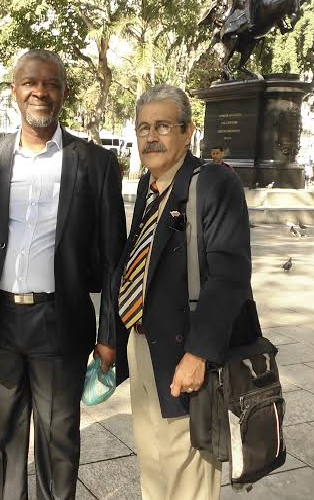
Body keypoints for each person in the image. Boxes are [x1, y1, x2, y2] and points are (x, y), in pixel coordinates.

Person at [0, 49, 126, 500]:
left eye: (51, 83)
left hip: (59, 322)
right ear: (14, 91)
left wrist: (109, 334)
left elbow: (114, 259)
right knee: (5, 441)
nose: (40, 91)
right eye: (31, 82)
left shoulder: (94, 163)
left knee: (59, 445)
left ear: (64, 93)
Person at [114, 84, 251, 500]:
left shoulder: (211, 184)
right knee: (155, 468)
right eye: (143, 128)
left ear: (188, 132)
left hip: (185, 356)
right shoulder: (149, 186)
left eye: (163, 126)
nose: (151, 137)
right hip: (144, 349)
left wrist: (198, 354)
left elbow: (230, 275)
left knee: (187, 479)